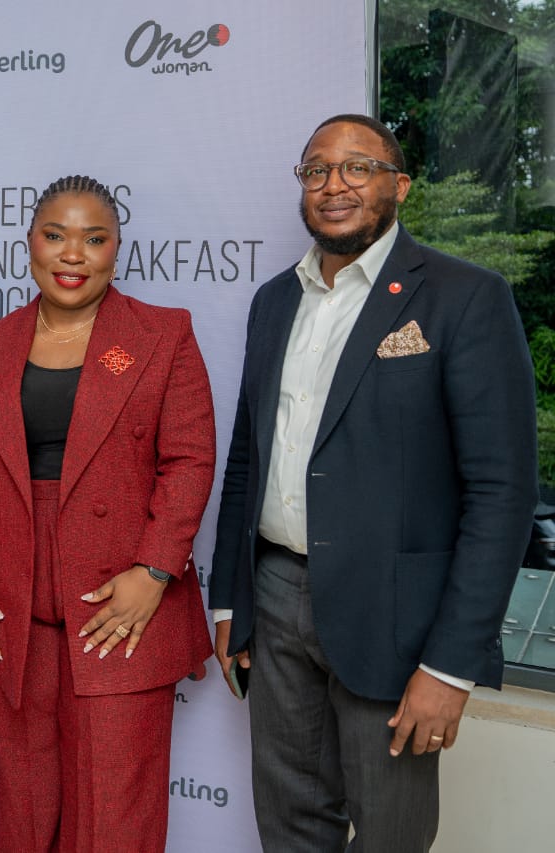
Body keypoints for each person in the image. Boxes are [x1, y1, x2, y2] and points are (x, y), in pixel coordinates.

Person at [210, 114, 538, 852]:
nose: (335, 185)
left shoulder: (464, 296)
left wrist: (451, 664)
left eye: (358, 167)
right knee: (289, 826)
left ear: (400, 185)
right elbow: (247, 460)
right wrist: (231, 598)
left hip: (397, 618)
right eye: (317, 170)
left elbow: (501, 494)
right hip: (274, 597)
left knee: (391, 834)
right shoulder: (274, 301)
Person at [0, 175, 216, 853]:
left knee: (115, 812)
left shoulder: (163, 333)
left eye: (94, 239)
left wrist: (154, 571)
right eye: (56, 235)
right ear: (29, 243)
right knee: (23, 803)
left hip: (121, 599)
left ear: (117, 250)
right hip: (14, 601)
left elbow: (189, 460)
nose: (73, 254)